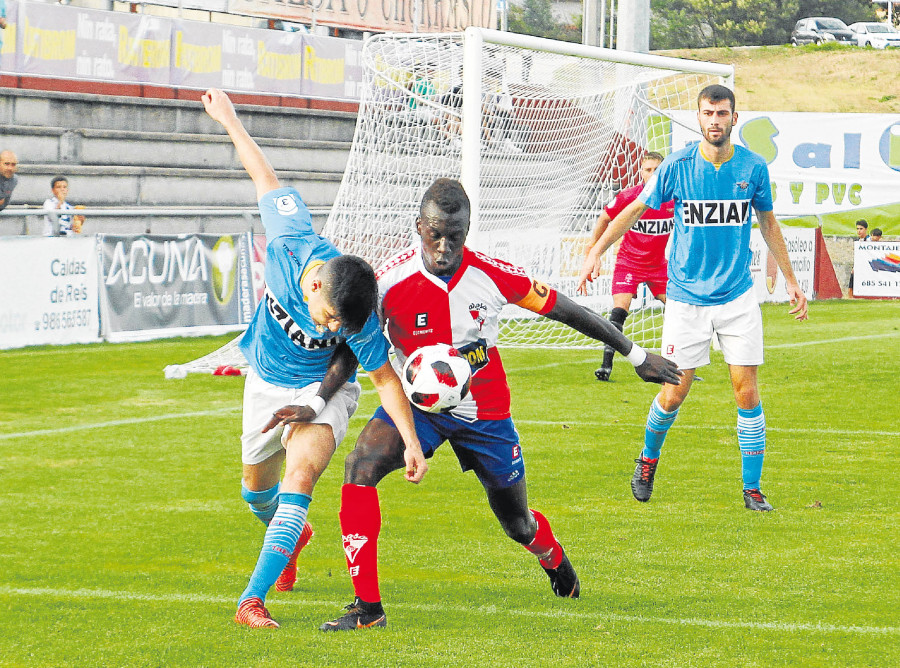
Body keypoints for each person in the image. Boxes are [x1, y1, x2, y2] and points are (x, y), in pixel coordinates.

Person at [320, 178, 682, 632]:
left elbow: (565, 311)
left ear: (468, 231)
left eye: (455, 235)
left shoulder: (493, 274)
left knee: (517, 524)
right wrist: (318, 398)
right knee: (360, 465)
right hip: (419, 409)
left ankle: (552, 557)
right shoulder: (387, 283)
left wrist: (636, 354)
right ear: (418, 227)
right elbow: (353, 341)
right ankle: (367, 609)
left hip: (486, 412)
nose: (445, 246)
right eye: (436, 234)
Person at [200, 88, 427, 630]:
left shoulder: (358, 313)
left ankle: (250, 600)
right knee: (258, 495)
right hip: (265, 384)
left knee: (301, 477)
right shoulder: (289, 240)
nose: (328, 329)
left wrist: (413, 442)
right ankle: (293, 535)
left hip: (321, 394)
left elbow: (385, 380)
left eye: (336, 326)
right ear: (316, 281)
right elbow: (265, 178)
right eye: (326, 318)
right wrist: (230, 119)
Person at [578, 84, 808, 513]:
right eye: (708, 113)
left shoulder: (753, 168)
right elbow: (634, 210)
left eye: (722, 113)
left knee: (746, 391)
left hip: (737, 297)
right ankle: (647, 460)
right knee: (674, 393)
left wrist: (791, 279)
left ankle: (753, 488)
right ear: (699, 117)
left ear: (734, 119)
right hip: (685, 298)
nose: (715, 121)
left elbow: (768, 222)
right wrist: (596, 250)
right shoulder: (677, 166)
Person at [580, 151, 673, 382]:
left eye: (656, 169)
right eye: (647, 169)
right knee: (619, 311)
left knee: (678, 311)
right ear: (640, 172)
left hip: (658, 266)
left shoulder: (673, 198)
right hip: (629, 262)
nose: (652, 174)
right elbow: (604, 218)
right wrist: (594, 251)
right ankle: (605, 365)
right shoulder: (629, 196)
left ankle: (678, 367)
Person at [848, 219, 870, 297]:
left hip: (867, 267)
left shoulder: (869, 241)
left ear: (866, 229)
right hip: (858, 266)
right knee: (851, 286)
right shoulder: (857, 241)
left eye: (861, 229)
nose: (859, 231)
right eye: (857, 229)